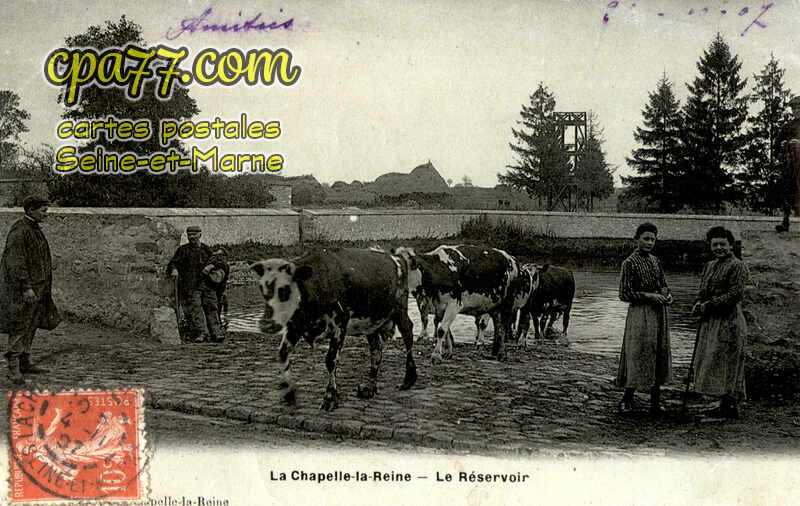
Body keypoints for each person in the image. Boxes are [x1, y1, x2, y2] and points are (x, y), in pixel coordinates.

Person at [691, 226, 748, 419]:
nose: (718, 248)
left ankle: (730, 407)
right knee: (713, 360)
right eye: (714, 244)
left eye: (722, 244)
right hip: (711, 321)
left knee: (728, 362)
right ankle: (722, 404)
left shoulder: (737, 265)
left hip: (729, 321)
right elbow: (703, 290)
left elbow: (734, 295)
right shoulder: (710, 265)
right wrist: (698, 302)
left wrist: (708, 305)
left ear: (731, 245)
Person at [616, 222, 673, 415]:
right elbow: (624, 294)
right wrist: (649, 296)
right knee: (638, 353)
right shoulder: (629, 263)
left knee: (658, 352)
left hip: (659, 313)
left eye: (652, 239)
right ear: (637, 239)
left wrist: (667, 295)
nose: (649, 243)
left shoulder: (656, 261)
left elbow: (663, 284)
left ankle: (655, 401)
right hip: (640, 314)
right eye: (645, 239)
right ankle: (627, 397)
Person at [1, 195, 58, 384]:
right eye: (43, 210)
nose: (46, 214)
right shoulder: (20, 230)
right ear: (31, 210)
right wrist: (26, 286)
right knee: (20, 325)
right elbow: (16, 262)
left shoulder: (33, 228)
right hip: (24, 289)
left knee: (31, 324)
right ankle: (13, 367)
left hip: (39, 287)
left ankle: (25, 361)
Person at [166, 226, 226, 343]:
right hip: (192, 285)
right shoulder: (183, 250)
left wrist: (211, 266)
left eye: (194, 234)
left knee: (212, 308)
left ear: (200, 235)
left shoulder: (206, 249)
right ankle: (202, 333)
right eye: (189, 235)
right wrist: (174, 270)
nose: (192, 237)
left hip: (208, 285)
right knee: (196, 309)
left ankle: (216, 333)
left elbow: (221, 263)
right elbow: (172, 263)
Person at [777, 96, 800, 232]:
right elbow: (777, 144)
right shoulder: (787, 126)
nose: (796, 111)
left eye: (799, 108)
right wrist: (782, 144)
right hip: (790, 165)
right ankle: (785, 221)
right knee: (787, 190)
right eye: (794, 108)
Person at [205, 247, 230, 338]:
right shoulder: (221, 264)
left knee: (217, 308)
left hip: (219, 290)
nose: (217, 257)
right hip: (214, 289)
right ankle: (216, 327)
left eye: (220, 255)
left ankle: (218, 327)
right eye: (216, 255)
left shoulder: (224, 265)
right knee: (215, 309)